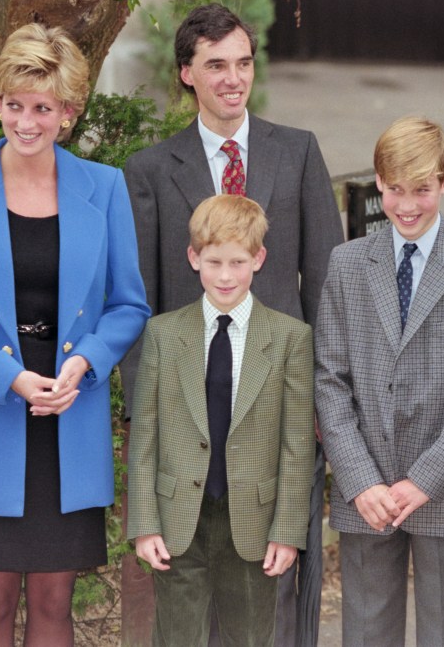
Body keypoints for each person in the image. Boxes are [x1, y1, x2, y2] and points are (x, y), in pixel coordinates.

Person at [0, 23, 150, 645]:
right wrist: (5, 376)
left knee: (54, 601)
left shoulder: (105, 187)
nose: (26, 122)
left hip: (71, 412)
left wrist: (86, 363)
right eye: (14, 105)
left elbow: (128, 305)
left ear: (68, 111)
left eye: (43, 107)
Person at [120, 2, 343, 646]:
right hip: (190, 406)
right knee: (188, 578)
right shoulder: (150, 171)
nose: (233, 78)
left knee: (275, 577)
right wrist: (142, 410)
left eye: (243, 63)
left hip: (278, 404)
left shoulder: (297, 152)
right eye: (216, 65)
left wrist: (325, 398)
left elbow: (325, 283)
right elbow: (141, 300)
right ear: (187, 72)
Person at [315, 116, 444, 647]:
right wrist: (359, 479)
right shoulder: (347, 264)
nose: (407, 205)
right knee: (366, 634)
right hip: (368, 493)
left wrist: (426, 479)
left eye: (422, 190)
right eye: (395, 190)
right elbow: (329, 379)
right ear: (378, 183)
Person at [127, 193, 315, 646]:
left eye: (237, 262)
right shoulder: (163, 334)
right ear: (194, 258)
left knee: (249, 638)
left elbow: (296, 446)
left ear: (259, 259)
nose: (225, 276)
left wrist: (287, 531)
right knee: (176, 638)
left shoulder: (290, 337)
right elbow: (145, 435)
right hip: (179, 520)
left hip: (253, 522)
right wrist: (145, 523)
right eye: (213, 262)